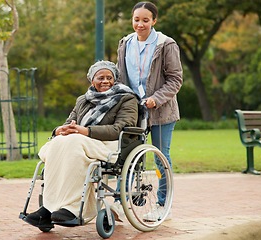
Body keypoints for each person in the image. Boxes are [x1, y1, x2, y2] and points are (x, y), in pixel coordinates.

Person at [24, 60, 139, 228]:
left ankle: (73, 208)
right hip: (79, 141)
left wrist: (85, 131)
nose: (105, 81)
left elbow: (121, 129)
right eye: (100, 78)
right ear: (92, 80)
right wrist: (60, 130)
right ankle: (48, 208)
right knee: (61, 141)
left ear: (115, 80)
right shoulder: (83, 100)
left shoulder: (126, 98)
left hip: (109, 144)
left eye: (109, 77)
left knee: (73, 142)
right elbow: (70, 122)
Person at [116, 1, 183, 219]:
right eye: (137, 19)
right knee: (127, 155)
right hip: (133, 110)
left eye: (145, 20)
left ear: (154, 21)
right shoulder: (125, 43)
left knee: (161, 157)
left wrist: (156, 98)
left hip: (161, 111)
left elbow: (175, 80)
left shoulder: (166, 44)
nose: (140, 24)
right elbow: (121, 76)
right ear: (132, 20)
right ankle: (121, 200)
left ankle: (163, 205)